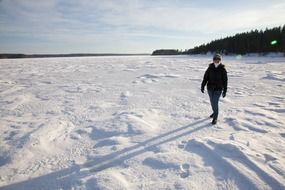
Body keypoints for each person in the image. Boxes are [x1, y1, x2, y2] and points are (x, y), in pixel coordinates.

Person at [201, 53, 228, 124]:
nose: (217, 60)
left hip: (218, 89)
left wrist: (225, 90)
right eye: (215, 59)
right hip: (210, 88)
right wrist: (202, 86)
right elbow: (205, 78)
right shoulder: (210, 68)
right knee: (212, 102)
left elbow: (225, 80)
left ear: (220, 60)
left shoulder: (222, 69)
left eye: (218, 59)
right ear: (213, 60)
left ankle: (215, 117)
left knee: (215, 102)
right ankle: (214, 112)